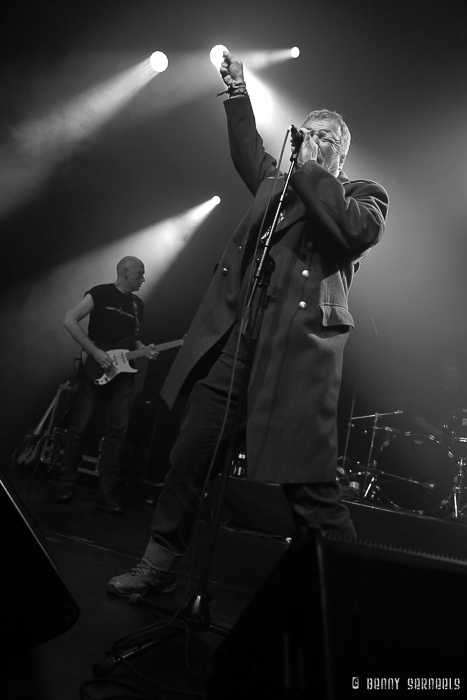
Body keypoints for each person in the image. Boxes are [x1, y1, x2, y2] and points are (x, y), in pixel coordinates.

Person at [108, 52, 389, 595]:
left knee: (309, 486)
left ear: (340, 153)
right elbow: (248, 150)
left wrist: (310, 166)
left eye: (323, 136)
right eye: (306, 132)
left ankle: (355, 591)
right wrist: (237, 92)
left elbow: (354, 232)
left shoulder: (362, 195)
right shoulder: (276, 188)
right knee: (190, 455)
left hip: (296, 354)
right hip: (238, 344)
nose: (309, 138)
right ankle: (157, 565)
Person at [57, 256, 158, 514]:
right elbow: (69, 319)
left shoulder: (137, 305)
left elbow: (131, 340)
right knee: (78, 427)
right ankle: (66, 483)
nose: (143, 279)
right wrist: (95, 353)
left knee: (116, 433)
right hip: (95, 368)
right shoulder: (100, 293)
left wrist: (143, 349)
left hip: (123, 377)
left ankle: (106, 491)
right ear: (125, 271)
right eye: (140, 274)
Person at [412, 355, 467, 441]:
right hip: (433, 443)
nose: (450, 377)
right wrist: (433, 430)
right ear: (442, 374)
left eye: (453, 373)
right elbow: (416, 417)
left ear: (460, 375)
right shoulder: (431, 393)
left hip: (458, 445)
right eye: (447, 373)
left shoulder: (463, 396)